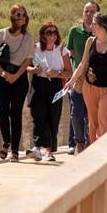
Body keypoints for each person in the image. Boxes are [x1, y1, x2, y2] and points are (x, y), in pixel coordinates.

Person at [64, 12, 107, 145]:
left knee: (104, 118)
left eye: (94, 23)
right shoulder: (90, 41)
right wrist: (72, 81)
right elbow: (83, 63)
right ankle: (94, 150)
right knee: (92, 122)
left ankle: (104, 150)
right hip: (90, 87)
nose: (91, 26)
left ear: (102, 26)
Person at [0, 5, 36, 161]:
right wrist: (2, 73)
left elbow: (28, 60)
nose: (21, 17)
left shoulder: (28, 37)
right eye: (18, 14)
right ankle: (6, 142)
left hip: (19, 77)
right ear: (12, 17)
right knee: (2, 111)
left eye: (23, 14)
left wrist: (15, 76)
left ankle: (14, 150)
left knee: (16, 113)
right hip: (1, 75)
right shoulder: (3, 33)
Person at [27, 21, 71, 162]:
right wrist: (34, 70)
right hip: (38, 83)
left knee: (53, 117)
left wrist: (57, 74)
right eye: (48, 32)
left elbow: (69, 72)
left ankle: (49, 151)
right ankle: (37, 148)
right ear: (43, 35)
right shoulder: (35, 48)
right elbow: (25, 67)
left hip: (55, 85)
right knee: (38, 115)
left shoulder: (62, 50)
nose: (52, 35)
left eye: (54, 32)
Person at [64, 1, 98, 155]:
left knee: (92, 114)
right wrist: (72, 74)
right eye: (86, 11)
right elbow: (70, 53)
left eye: (92, 11)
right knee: (76, 113)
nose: (88, 14)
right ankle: (79, 142)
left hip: (97, 80)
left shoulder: (100, 33)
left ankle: (92, 142)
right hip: (78, 79)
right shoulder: (74, 31)